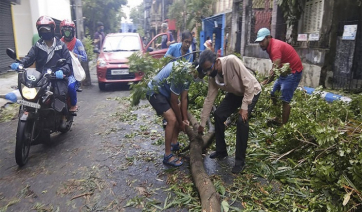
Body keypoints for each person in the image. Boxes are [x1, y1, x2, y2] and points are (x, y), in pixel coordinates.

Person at [197, 49, 261, 174]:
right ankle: (221, 151)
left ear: (216, 62)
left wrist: (244, 107)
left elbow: (248, 84)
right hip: (235, 93)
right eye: (206, 71)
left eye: (209, 68)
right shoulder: (213, 76)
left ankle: (239, 162)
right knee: (218, 114)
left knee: (241, 121)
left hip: (251, 91)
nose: (209, 72)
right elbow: (209, 99)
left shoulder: (231, 61)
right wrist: (202, 123)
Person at [10, 16, 72, 126]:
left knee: (60, 94)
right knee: (29, 92)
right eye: (42, 30)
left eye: (47, 29)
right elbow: (29, 57)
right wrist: (21, 64)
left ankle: (63, 117)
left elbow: (68, 63)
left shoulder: (61, 46)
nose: (45, 32)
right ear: (39, 31)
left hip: (56, 76)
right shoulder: (38, 46)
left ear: (53, 30)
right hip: (41, 77)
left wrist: (62, 71)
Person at [146, 61, 193, 167]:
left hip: (165, 92)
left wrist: (185, 119)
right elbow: (173, 100)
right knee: (172, 119)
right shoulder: (180, 73)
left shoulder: (189, 74)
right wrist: (181, 123)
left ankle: (174, 143)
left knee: (179, 108)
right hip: (155, 92)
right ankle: (167, 155)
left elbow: (184, 98)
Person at [255, 28, 303, 125]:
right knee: (273, 94)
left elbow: (274, 70)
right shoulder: (270, 46)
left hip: (293, 72)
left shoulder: (275, 48)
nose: (260, 44)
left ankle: (284, 127)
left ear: (268, 37)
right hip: (283, 72)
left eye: (262, 41)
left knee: (285, 99)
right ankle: (277, 117)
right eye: (259, 42)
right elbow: (276, 69)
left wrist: (265, 82)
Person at [60, 19, 88, 112]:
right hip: (60, 71)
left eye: (69, 30)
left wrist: (75, 55)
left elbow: (84, 57)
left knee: (70, 87)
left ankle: (73, 104)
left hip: (72, 72)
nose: (67, 32)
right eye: (65, 30)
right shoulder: (59, 42)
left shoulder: (78, 42)